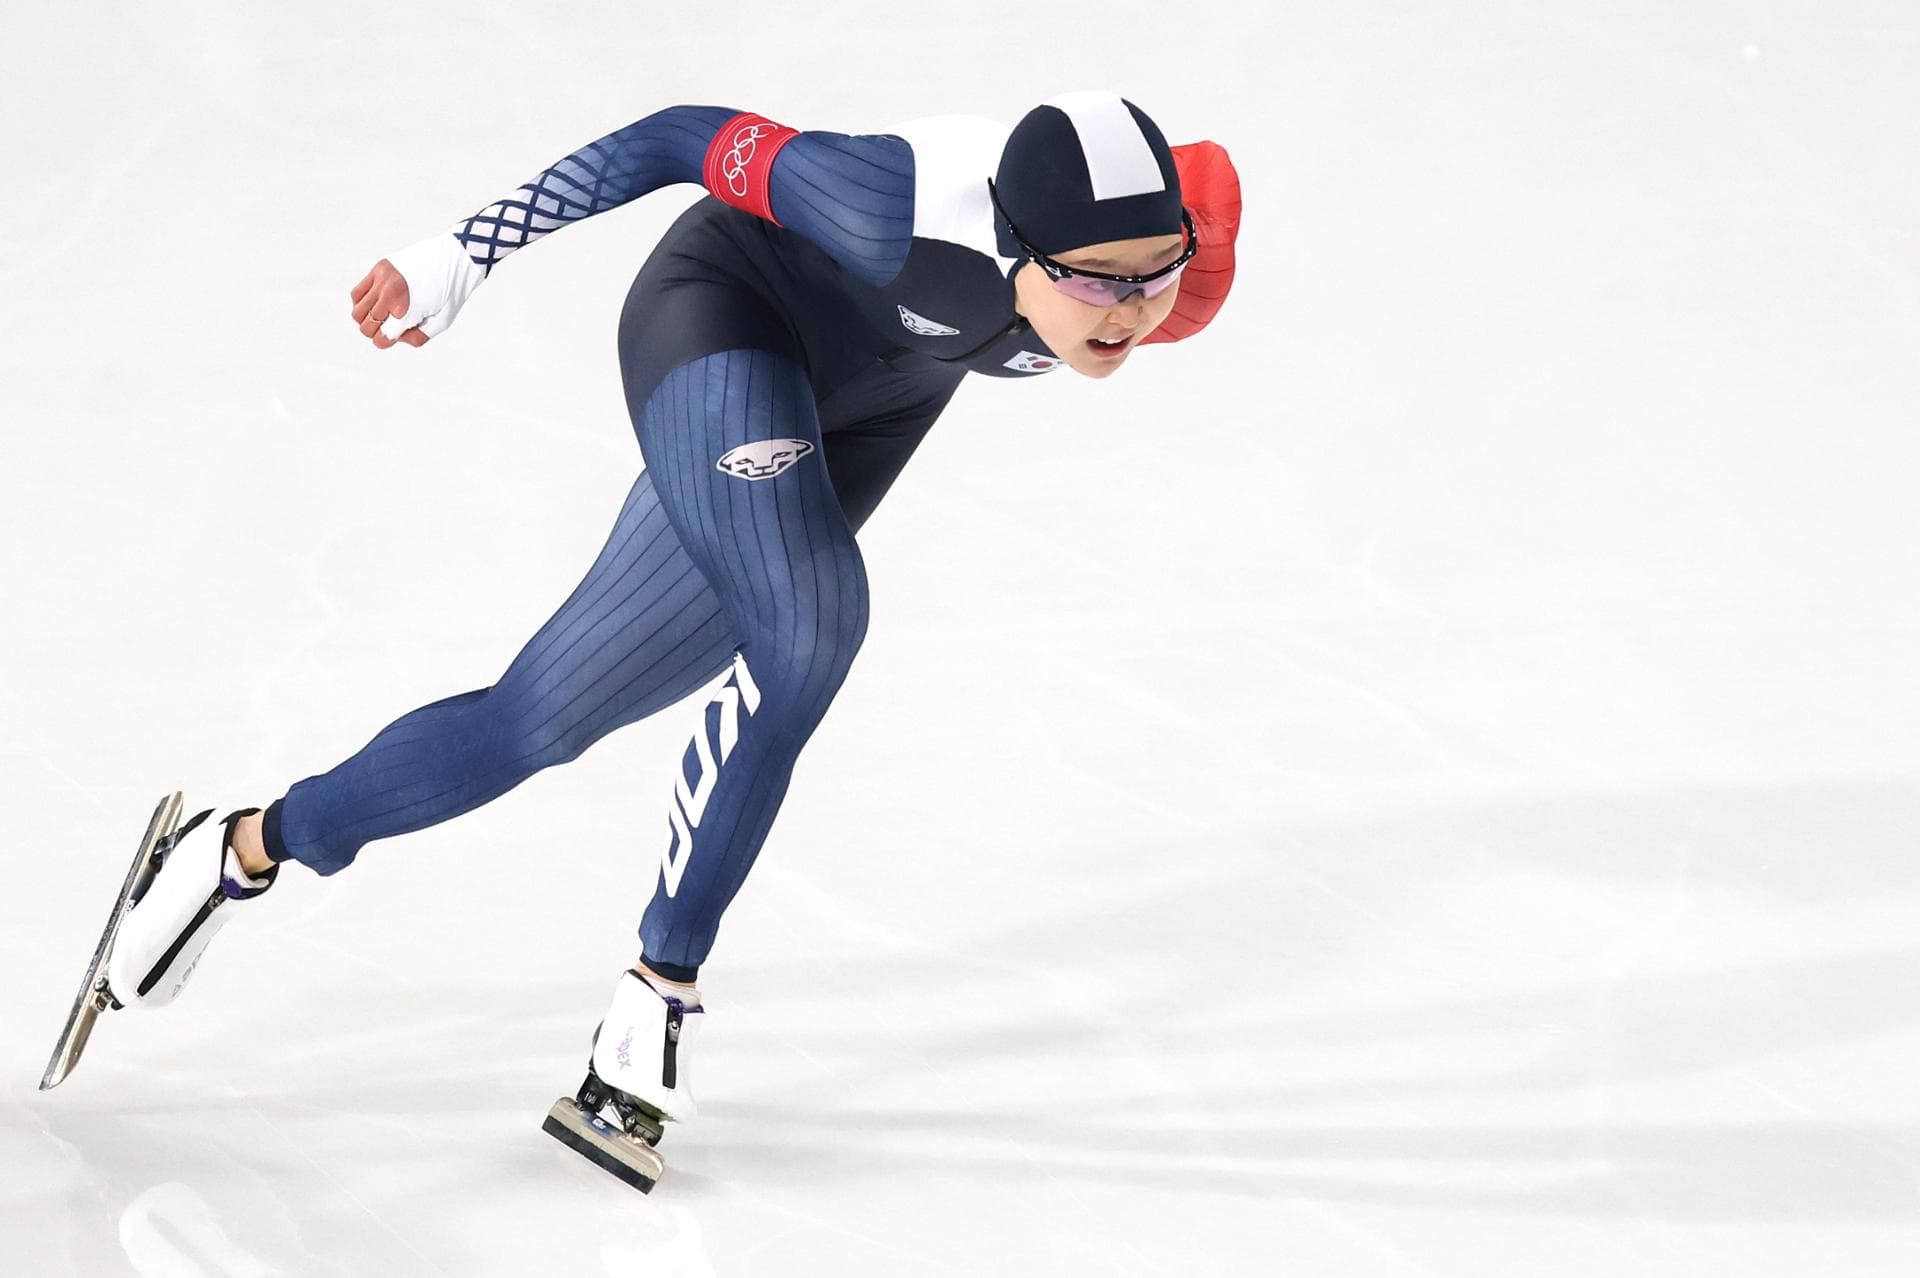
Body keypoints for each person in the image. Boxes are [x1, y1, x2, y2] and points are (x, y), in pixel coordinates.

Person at [99, 90, 1241, 1187]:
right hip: (724, 317)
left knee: (538, 717)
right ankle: (659, 988)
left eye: (1156, 274)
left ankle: (240, 846)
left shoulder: (1172, 265)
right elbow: (678, 135)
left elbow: (1147, 255)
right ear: (1012, 242)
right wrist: (464, 247)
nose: (1133, 309)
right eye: (1096, 282)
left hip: (878, 398)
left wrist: (1152, 270)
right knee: (813, 625)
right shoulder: (884, 200)